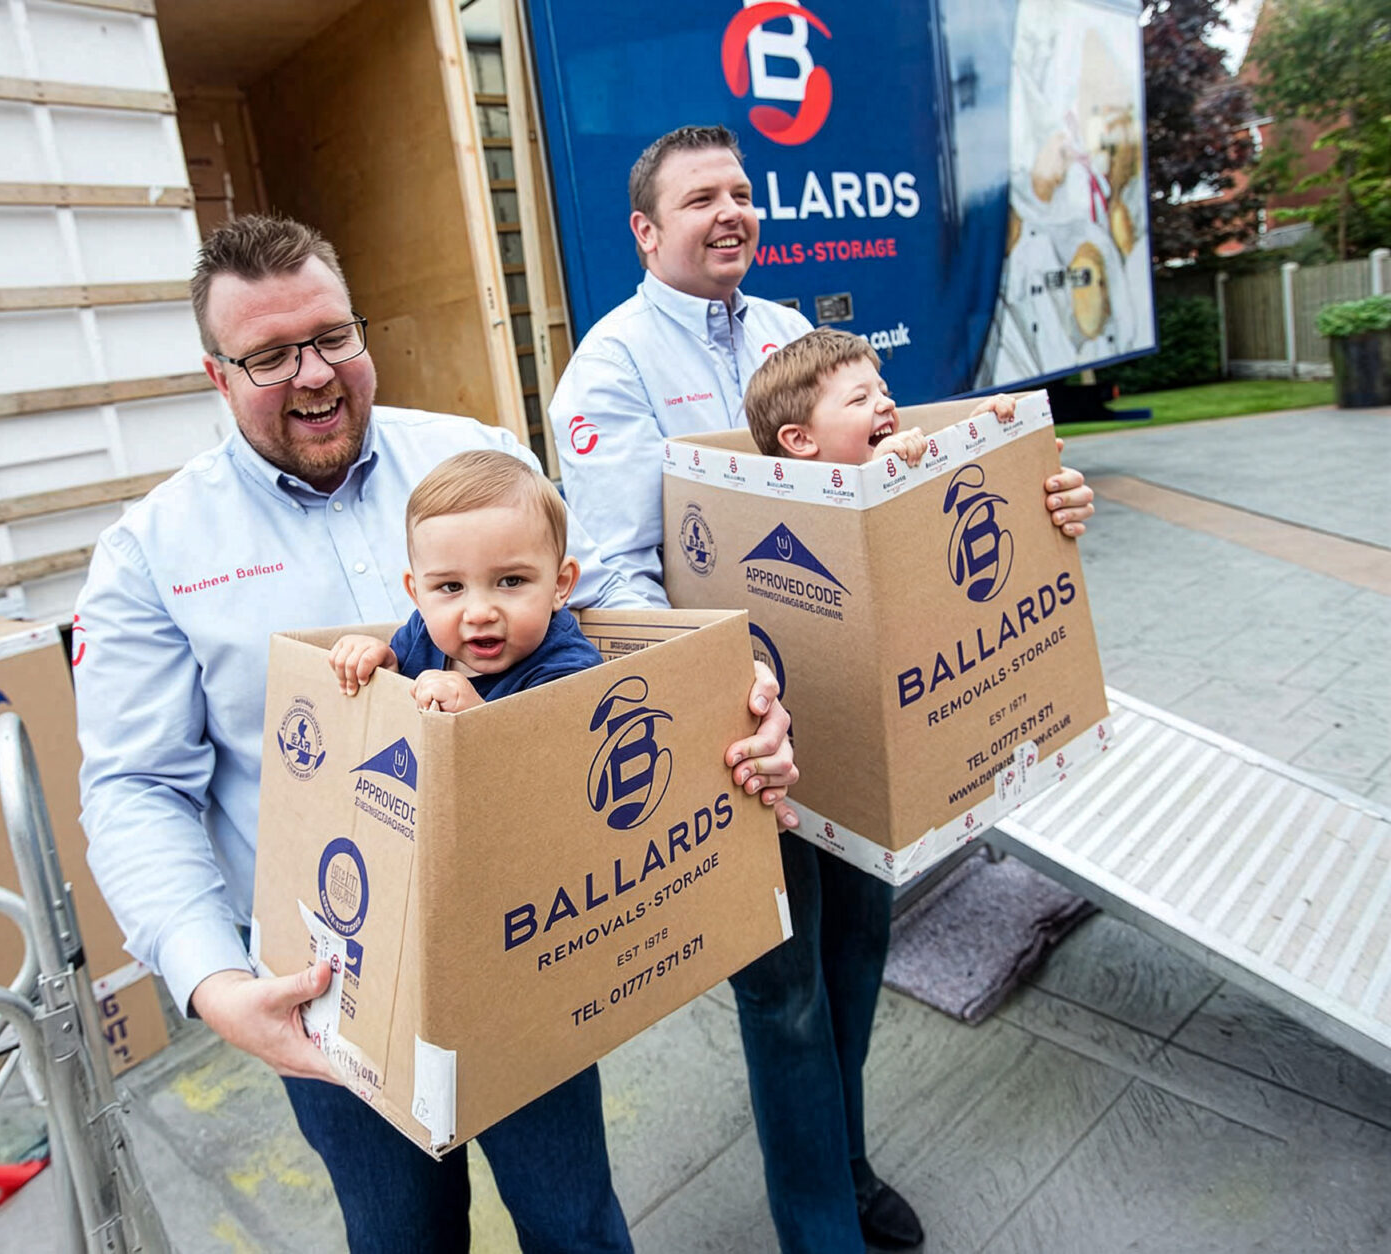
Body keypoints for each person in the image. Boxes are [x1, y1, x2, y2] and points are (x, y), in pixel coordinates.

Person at [73, 213, 798, 1254]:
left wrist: (739, 693)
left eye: (331, 336)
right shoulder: (151, 551)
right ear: (216, 374)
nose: (312, 374)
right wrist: (215, 983)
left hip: (531, 942)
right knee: (402, 1237)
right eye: (269, 356)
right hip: (327, 986)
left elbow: (604, 614)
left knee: (576, 1222)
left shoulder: (478, 456)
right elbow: (136, 790)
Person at [548, 126, 1095, 1254]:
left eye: (743, 191)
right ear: (647, 232)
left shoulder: (790, 333)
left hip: (854, 711)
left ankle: (843, 1163)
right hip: (740, 730)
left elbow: (886, 483)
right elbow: (609, 574)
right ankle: (818, 1227)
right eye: (701, 198)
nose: (732, 211)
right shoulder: (610, 368)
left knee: (855, 952)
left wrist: (1033, 493)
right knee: (783, 993)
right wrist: (727, 685)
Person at [326, 449, 602, 711]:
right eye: (451, 587)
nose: (480, 613)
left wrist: (476, 720)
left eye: (511, 581)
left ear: (560, 584)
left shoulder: (569, 670)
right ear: (417, 594)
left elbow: (560, 751)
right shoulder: (420, 634)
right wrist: (383, 666)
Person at [747, 327, 1019, 464]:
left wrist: (979, 434)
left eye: (884, 392)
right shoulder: (798, 515)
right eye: (859, 399)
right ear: (801, 438)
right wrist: (878, 483)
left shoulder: (907, 463)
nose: (887, 403)